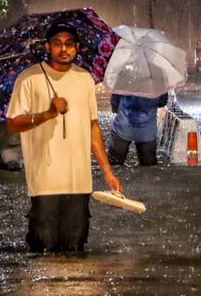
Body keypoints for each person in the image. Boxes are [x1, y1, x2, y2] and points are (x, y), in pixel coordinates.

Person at [6, 23, 122, 252]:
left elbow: (92, 126)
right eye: (57, 44)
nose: (63, 49)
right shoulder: (29, 79)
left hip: (78, 180)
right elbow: (13, 123)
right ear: (48, 47)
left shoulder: (85, 79)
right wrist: (47, 114)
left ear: (77, 48)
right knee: (44, 247)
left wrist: (108, 172)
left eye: (69, 44)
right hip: (44, 180)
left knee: (75, 246)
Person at [108, 93, 168, 166]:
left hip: (123, 126)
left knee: (114, 165)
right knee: (149, 169)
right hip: (147, 130)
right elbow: (162, 102)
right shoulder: (157, 83)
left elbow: (115, 103)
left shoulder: (122, 81)